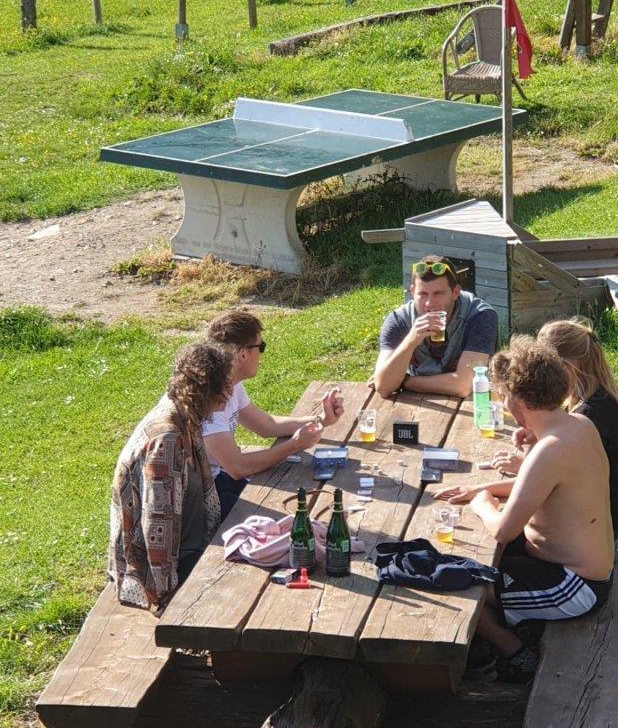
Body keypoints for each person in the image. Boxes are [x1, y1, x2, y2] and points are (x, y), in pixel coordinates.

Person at [465, 337, 615, 681]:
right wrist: (484, 486)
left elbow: (503, 529)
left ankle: (516, 654)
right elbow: (541, 487)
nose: (504, 405)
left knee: (469, 588)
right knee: (476, 561)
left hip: (575, 586)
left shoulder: (549, 451)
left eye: (504, 396)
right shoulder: (580, 425)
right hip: (575, 568)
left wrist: (483, 503)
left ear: (518, 399)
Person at [439, 318, 618, 537]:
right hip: (595, 523)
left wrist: (486, 491)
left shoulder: (589, 416)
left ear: (564, 368)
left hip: (600, 526)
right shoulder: (592, 402)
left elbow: (544, 483)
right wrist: (538, 434)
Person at [108, 342, 235, 613]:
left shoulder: (186, 416)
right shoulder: (166, 440)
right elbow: (157, 528)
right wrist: (170, 598)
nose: (229, 394)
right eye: (223, 387)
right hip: (163, 573)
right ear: (205, 389)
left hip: (192, 547)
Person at [203, 309, 344, 518]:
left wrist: (322, 419)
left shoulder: (230, 383)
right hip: (204, 495)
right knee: (287, 522)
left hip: (219, 477)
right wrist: (295, 444)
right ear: (243, 354)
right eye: (261, 347)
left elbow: (267, 425)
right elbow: (238, 467)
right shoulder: (210, 399)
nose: (261, 354)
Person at [373, 255, 498, 398]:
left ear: (455, 293)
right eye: (423, 294)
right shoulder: (399, 321)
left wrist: (405, 382)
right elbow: (383, 387)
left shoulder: (479, 316)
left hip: (475, 404)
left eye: (438, 293)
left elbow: (463, 386)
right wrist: (410, 341)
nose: (429, 303)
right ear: (412, 292)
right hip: (416, 402)